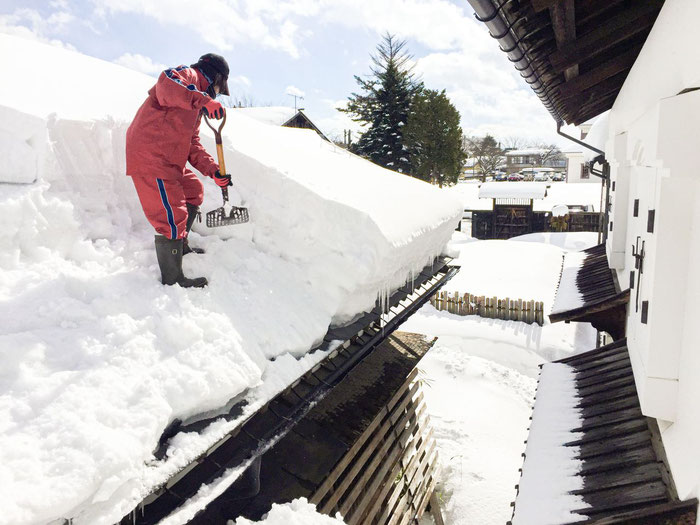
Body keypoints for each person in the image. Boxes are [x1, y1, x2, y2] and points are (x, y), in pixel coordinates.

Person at [126, 53, 233, 288]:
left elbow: (192, 144)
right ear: (216, 77)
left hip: (168, 159)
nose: (217, 91)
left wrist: (213, 170)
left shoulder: (194, 106)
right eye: (219, 86)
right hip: (151, 156)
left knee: (193, 189)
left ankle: (180, 245)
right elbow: (165, 85)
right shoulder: (188, 76)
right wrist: (204, 100)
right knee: (172, 216)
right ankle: (173, 279)